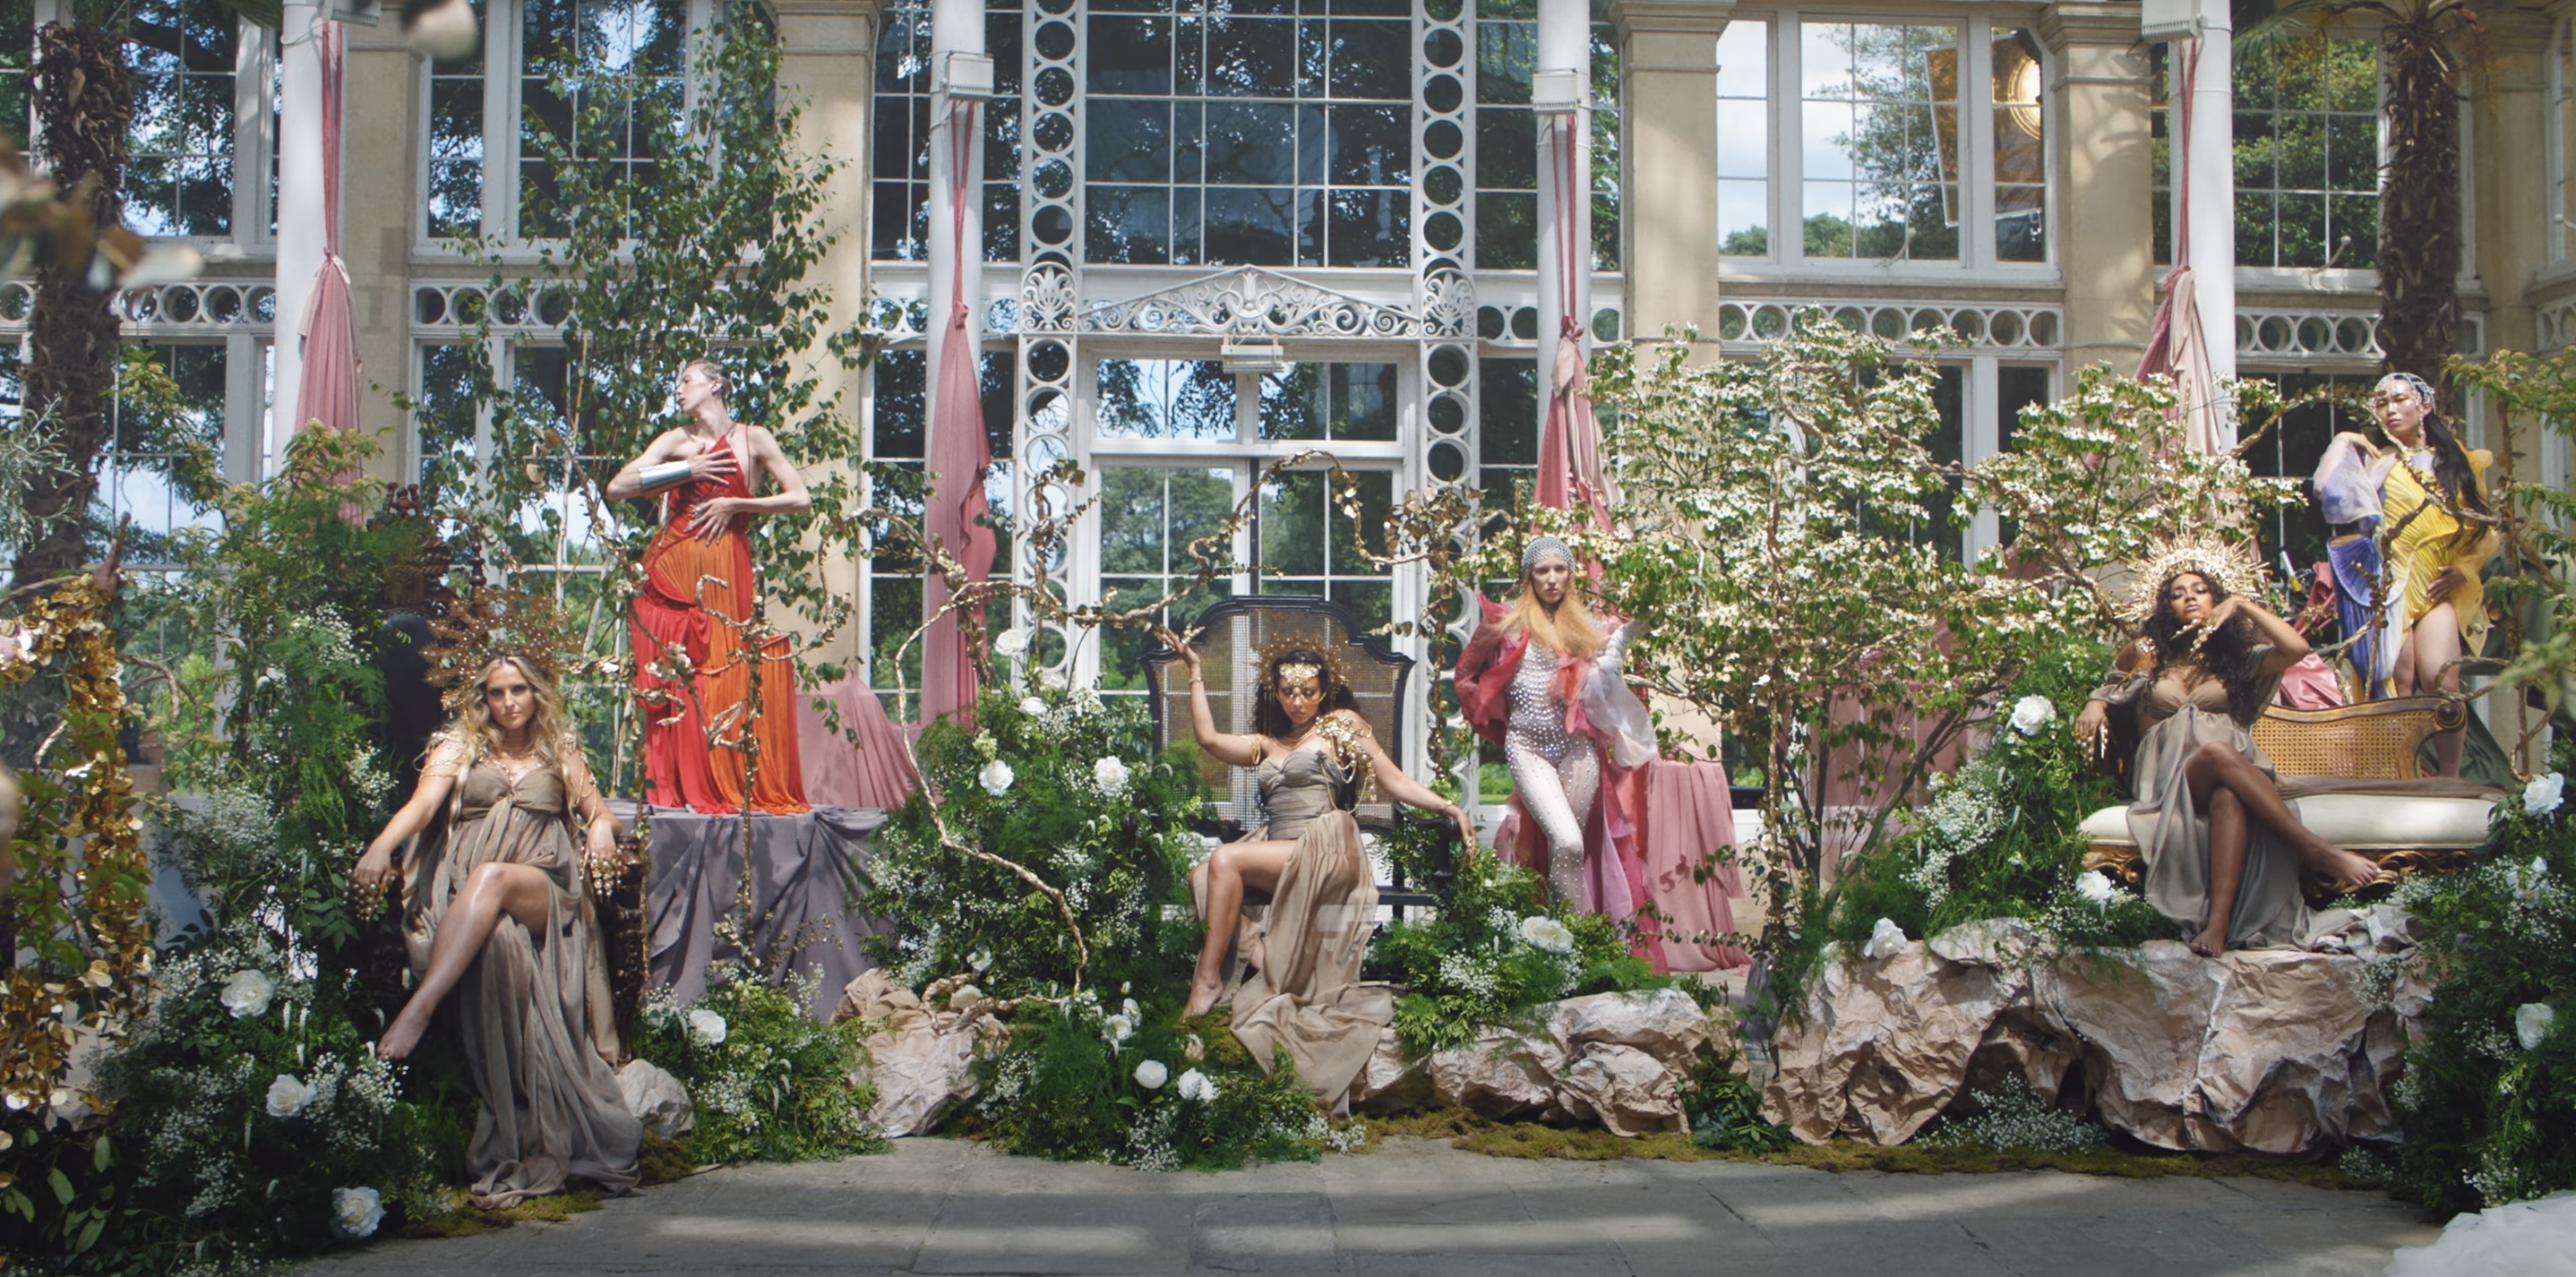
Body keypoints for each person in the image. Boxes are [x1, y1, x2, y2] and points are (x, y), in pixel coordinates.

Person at [349, 655, 642, 1208]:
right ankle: (507, 1106)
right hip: (468, 895)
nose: (508, 702)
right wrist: (382, 845)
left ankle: (420, 1006)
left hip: (542, 890)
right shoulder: (458, 745)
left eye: (519, 691)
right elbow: (421, 807)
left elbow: (598, 812)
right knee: (500, 938)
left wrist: (601, 829)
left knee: (494, 879)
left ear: (536, 694)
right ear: (482, 699)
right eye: (495, 693)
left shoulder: (560, 747)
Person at [1171, 637, 1474, 1109]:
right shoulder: (1266, 744)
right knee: (1202, 874)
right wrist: (1194, 670)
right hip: (1281, 849)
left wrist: (1448, 806)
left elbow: (1391, 780)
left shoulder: (1341, 726)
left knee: (1225, 860)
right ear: (1274, 691)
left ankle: (1206, 983)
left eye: (1308, 691)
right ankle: (1267, 959)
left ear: (1324, 690)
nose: (1298, 701)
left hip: (1327, 846)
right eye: (1289, 692)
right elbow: (1209, 740)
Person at [2072, 542, 2391, 956]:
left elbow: (2297, 650)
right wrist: (2094, 703)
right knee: (2219, 754)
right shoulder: (2147, 651)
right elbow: (2112, 683)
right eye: (2177, 592)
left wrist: (2242, 604)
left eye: (2200, 589)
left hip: (2230, 774)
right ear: (2165, 605)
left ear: (2215, 600)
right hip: (2171, 776)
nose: (2188, 596)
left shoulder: (2238, 659)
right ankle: (2314, 849)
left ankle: (2217, 927)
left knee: (2227, 795)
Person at [609, 358, 813, 815]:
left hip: (726, 566)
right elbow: (617, 486)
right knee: (679, 681)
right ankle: (682, 785)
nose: (678, 388)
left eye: (685, 379)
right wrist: (686, 470)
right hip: (668, 573)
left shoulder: (753, 438)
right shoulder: (676, 442)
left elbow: (800, 497)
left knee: (726, 671)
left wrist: (738, 502)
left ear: (715, 384)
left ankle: (726, 782)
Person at [1453, 536, 1655, 911]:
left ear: (1570, 577)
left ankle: (1566, 945)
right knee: (1568, 842)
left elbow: (1605, 690)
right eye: (1542, 570)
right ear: (1528, 576)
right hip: (1527, 746)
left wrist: (1619, 647)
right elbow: (1466, 674)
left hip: (1577, 748)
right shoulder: (1504, 622)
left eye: (1559, 569)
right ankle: (1569, 950)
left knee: (1568, 847)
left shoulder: (1588, 628)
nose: (1551, 578)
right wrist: (1491, 714)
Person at [2325, 372, 2497, 776]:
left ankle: (2452, 779)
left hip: (2437, 586)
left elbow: (2486, 533)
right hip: (2391, 586)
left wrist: (2465, 568)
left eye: (2399, 400)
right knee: (2395, 683)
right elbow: (2333, 499)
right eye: (2381, 403)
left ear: (2423, 406)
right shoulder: (2379, 463)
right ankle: (2399, 773)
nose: (2389, 409)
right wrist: (2342, 441)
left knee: (2443, 682)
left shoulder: (2462, 463)